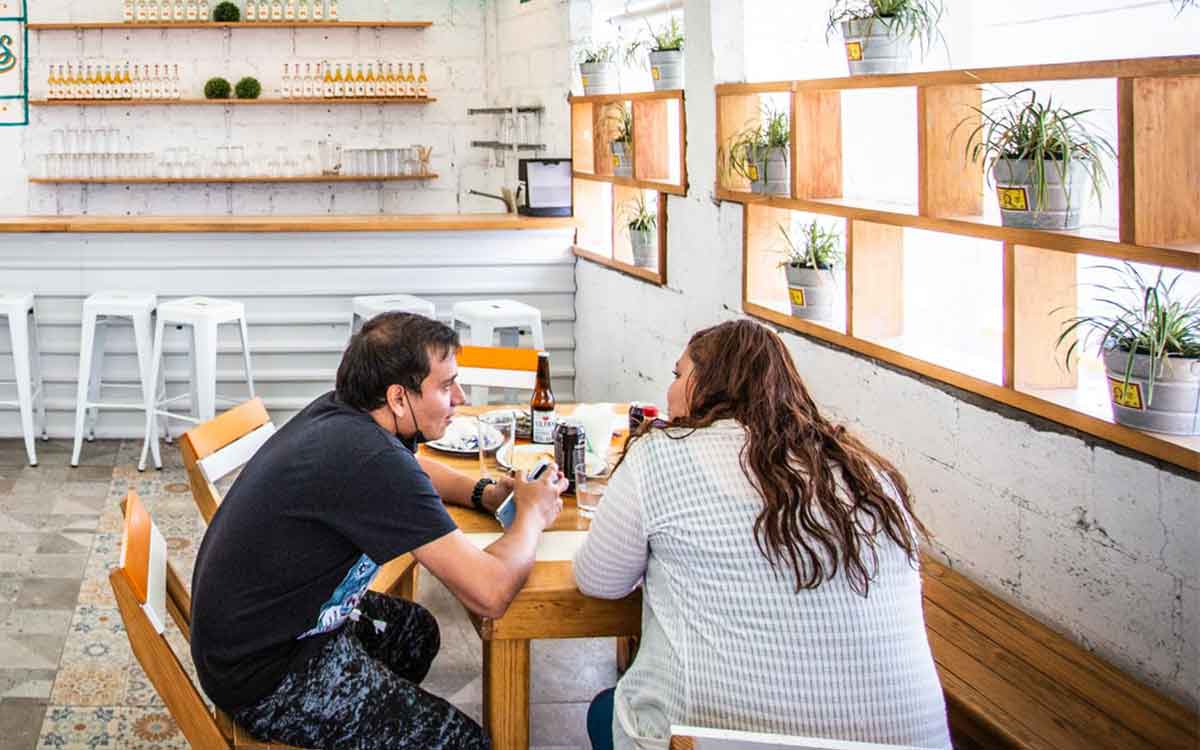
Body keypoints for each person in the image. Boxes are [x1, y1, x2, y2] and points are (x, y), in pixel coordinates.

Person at [190, 312, 568, 749]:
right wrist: (533, 515)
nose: (460, 397)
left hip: (262, 630)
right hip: (266, 674)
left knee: (416, 634)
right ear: (398, 398)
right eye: (446, 387)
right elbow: (490, 592)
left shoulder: (346, 415)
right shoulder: (369, 460)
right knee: (465, 743)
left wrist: (482, 491)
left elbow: (412, 470)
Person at [574, 319, 952, 750]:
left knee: (605, 709)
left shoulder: (661, 457)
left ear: (706, 384)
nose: (670, 390)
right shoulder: (866, 473)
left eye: (678, 375)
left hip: (711, 740)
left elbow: (599, 580)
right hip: (908, 740)